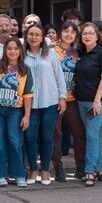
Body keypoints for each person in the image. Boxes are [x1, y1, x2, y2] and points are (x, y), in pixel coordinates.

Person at [0, 37, 32, 187]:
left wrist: (27, 115)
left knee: (15, 141)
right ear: (5, 50)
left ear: (20, 51)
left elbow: (28, 95)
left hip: (15, 111)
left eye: (16, 48)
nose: (12, 51)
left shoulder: (25, 70)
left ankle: (18, 174)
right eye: (9, 48)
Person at [23, 23, 66, 185]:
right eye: (31, 34)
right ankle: (33, 169)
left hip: (49, 102)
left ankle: (45, 170)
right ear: (26, 37)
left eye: (37, 35)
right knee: (30, 137)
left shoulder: (51, 54)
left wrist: (62, 97)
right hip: (29, 104)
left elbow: (59, 76)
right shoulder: (22, 55)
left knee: (47, 136)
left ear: (42, 38)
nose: (33, 37)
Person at [51, 21, 86, 182]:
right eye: (66, 31)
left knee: (79, 132)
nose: (69, 34)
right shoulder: (51, 51)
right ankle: (58, 167)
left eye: (73, 32)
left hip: (72, 99)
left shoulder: (78, 53)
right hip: (54, 98)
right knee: (56, 133)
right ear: (60, 32)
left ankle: (81, 166)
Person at [75, 22, 102, 186]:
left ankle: (89, 171)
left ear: (97, 36)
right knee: (97, 134)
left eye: (90, 33)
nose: (87, 36)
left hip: (98, 102)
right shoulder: (80, 53)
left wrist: (97, 100)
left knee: (92, 135)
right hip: (81, 101)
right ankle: (99, 167)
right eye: (84, 33)